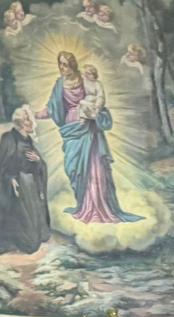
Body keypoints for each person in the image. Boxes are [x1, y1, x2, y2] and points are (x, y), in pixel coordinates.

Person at [36, 51, 141, 224]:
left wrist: (93, 112)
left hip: (89, 129)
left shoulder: (85, 79)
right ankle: (84, 205)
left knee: (95, 168)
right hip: (71, 131)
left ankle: (100, 207)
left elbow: (97, 100)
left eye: (66, 64)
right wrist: (35, 114)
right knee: (73, 168)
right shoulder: (59, 85)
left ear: (73, 64)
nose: (63, 68)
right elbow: (52, 108)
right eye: (60, 64)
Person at [0, 105, 51, 256]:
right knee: (30, 244)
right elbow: (3, 166)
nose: (32, 124)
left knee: (37, 238)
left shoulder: (28, 140)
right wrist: (11, 179)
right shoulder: (8, 138)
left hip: (31, 185)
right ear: (21, 123)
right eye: (28, 121)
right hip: (18, 185)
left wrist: (38, 160)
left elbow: (40, 164)